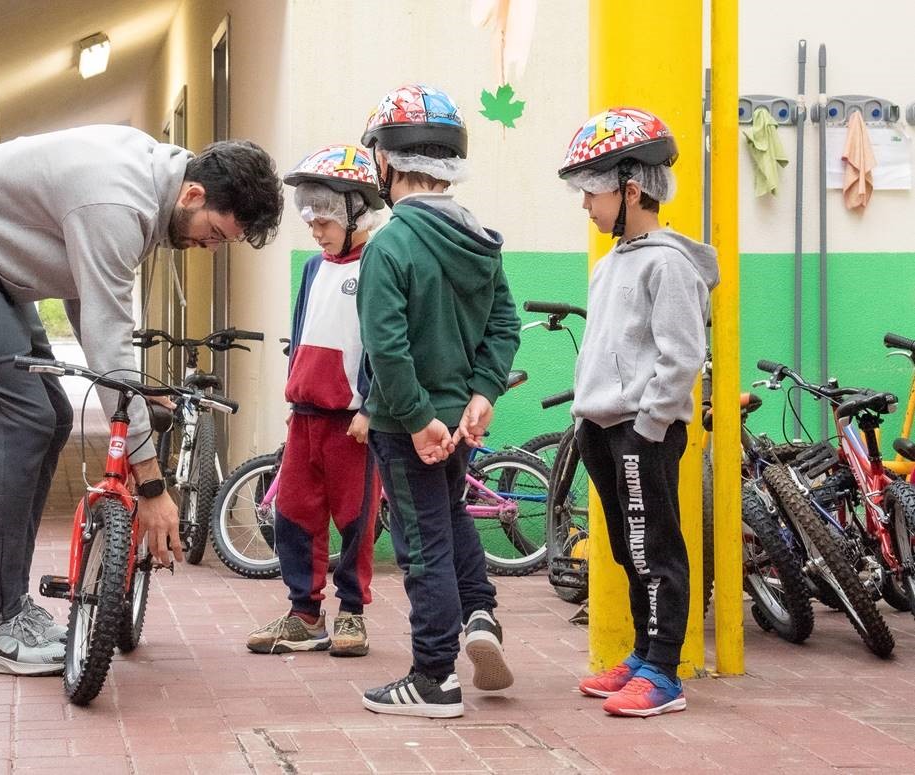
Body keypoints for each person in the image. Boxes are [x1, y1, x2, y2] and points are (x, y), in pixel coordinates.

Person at [0, 125, 283, 676]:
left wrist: (134, 388)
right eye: (213, 233)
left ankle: (10, 610)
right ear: (193, 195)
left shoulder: (151, 191)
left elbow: (93, 305)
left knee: (52, 415)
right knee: (22, 420)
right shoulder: (118, 201)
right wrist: (149, 481)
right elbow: (106, 333)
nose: (206, 247)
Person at [355, 85, 520, 718]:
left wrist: (419, 420)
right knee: (449, 518)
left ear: (388, 165)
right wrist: (481, 395)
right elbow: (503, 325)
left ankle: (433, 679)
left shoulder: (389, 246)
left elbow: (387, 349)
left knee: (421, 546)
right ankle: (481, 614)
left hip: (410, 426)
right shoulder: (478, 239)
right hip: (461, 422)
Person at [558, 107, 718, 717]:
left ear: (631, 190)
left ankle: (664, 671)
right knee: (627, 546)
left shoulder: (668, 264)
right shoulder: (609, 265)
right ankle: (641, 653)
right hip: (601, 427)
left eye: (591, 193)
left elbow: (683, 356)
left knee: (656, 548)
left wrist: (648, 427)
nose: (585, 207)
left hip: (640, 431)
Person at [246, 144, 385, 658]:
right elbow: (302, 332)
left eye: (324, 217)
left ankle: (352, 613)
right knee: (295, 512)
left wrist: (371, 405)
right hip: (305, 417)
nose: (315, 227)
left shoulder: (377, 264)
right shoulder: (312, 268)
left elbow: (383, 341)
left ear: (355, 211)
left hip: (352, 421)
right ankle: (304, 613)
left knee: (355, 517)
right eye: (311, 216)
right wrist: (294, 394)